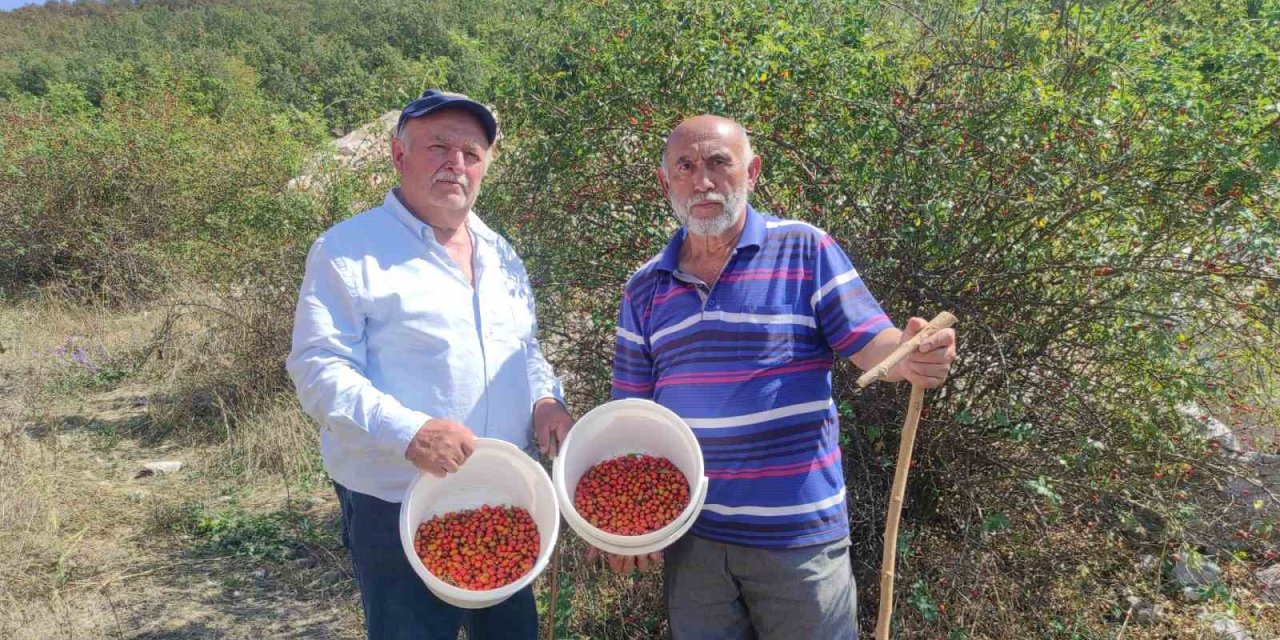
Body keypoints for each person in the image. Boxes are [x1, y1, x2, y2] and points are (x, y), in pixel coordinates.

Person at [605, 115, 957, 639]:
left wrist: (909, 356)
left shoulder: (804, 249)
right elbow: (630, 420)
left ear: (753, 171)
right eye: (685, 167)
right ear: (666, 184)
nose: (702, 181)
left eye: (719, 163)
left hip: (797, 539)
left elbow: (872, 343)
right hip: (694, 543)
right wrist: (625, 526)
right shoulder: (644, 288)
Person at [286, 89, 573, 640]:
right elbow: (320, 370)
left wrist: (544, 399)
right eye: (438, 146)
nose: (455, 163)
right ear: (399, 155)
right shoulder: (347, 250)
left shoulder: (501, 251)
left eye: (471, 152)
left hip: (503, 497)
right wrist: (410, 432)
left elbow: (526, 348)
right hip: (397, 502)